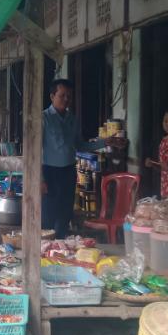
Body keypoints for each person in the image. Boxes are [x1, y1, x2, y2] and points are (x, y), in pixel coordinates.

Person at [42, 79, 105, 238]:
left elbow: (80, 145)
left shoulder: (72, 119)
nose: (66, 99)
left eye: (69, 96)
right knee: (48, 212)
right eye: (62, 95)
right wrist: (40, 179)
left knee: (65, 212)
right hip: (49, 172)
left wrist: (105, 142)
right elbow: (35, 150)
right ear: (52, 96)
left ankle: (61, 245)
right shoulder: (43, 118)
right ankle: (45, 246)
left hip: (69, 171)